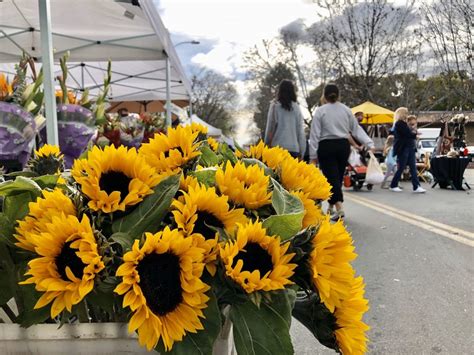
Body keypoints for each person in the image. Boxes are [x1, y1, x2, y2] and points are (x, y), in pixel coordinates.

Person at [309, 83, 374, 220]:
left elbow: (314, 134)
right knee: (336, 177)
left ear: (324, 96)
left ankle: (339, 207)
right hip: (343, 146)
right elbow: (356, 129)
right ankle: (332, 206)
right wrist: (369, 143)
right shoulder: (346, 110)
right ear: (338, 95)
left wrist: (313, 155)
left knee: (332, 178)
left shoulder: (321, 111)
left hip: (326, 146)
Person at [264, 79, 306, 159]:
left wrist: (266, 145)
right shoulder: (297, 108)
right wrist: (302, 152)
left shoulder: (275, 106)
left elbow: (270, 128)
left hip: (277, 149)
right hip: (294, 149)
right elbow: (300, 132)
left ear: (280, 91)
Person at [390, 114, 426, 193]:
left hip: (411, 148)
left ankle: (416, 186)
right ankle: (393, 184)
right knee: (401, 167)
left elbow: (411, 135)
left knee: (413, 167)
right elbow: (407, 135)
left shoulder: (407, 127)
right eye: (411, 123)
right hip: (404, 149)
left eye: (414, 123)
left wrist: (414, 132)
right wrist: (414, 134)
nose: (413, 125)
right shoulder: (401, 125)